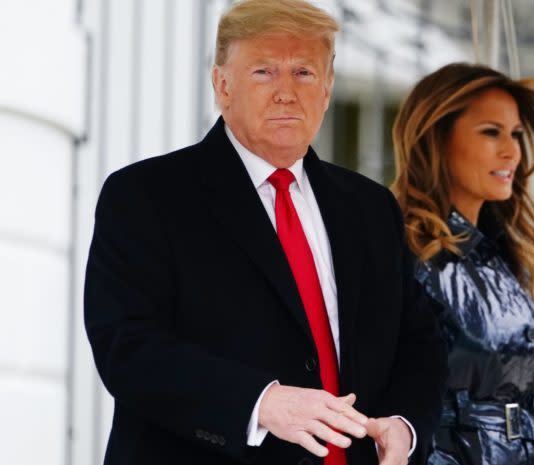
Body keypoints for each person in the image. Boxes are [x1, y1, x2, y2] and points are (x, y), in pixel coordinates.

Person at [83, 1, 446, 464]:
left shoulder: (371, 208)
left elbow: (420, 339)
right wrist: (260, 402)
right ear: (222, 85)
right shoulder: (145, 196)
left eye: (303, 73)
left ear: (329, 87)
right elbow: (127, 348)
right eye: (263, 72)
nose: (286, 92)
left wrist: (405, 425)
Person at [391, 62, 534, 465]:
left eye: (515, 134)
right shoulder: (402, 252)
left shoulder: (510, 262)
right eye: (490, 132)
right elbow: (393, 405)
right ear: (437, 139)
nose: (512, 150)